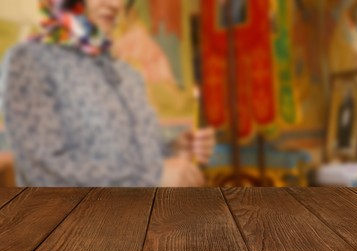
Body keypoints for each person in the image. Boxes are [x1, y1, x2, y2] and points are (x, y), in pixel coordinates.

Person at [0, 0, 215, 187]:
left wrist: (173, 150)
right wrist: (153, 179)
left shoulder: (127, 74)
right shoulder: (29, 61)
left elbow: (130, 159)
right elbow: (43, 172)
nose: (115, 4)